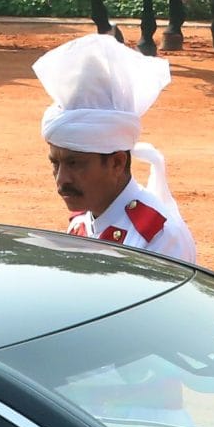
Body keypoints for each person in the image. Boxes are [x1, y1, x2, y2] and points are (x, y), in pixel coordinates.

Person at [36, 32, 198, 264]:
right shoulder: (81, 224)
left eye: (74, 164)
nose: (61, 180)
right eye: (55, 164)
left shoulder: (158, 237)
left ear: (117, 163)